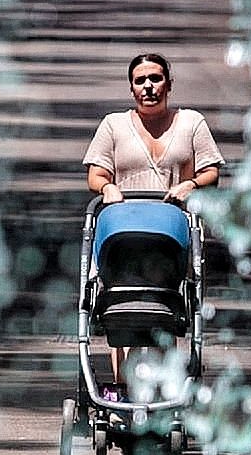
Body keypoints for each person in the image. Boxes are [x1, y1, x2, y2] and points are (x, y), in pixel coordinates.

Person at [82, 52, 223, 398]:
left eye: (156, 79)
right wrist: (108, 187)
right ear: (131, 88)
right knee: (120, 306)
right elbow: (96, 173)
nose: (149, 87)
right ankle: (123, 391)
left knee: (169, 307)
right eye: (141, 80)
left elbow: (211, 171)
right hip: (123, 233)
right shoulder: (113, 125)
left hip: (171, 235)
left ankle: (170, 390)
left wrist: (191, 185)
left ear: (169, 84)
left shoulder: (191, 123)